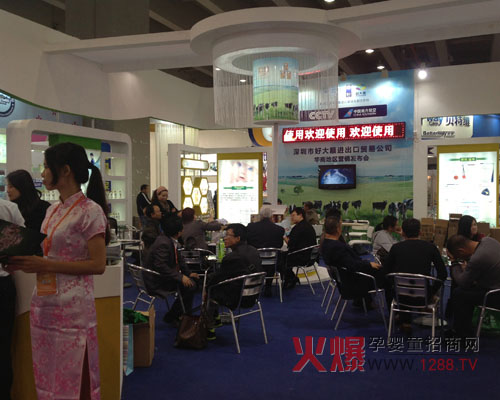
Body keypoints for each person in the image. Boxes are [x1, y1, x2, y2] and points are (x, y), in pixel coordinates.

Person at [6, 142, 109, 400]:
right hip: (45, 304)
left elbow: (98, 264)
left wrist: (46, 264)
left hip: (74, 310)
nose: (42, 173)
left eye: (46, 167)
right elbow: (47, 255)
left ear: (65, 170)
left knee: (73, 377)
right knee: (46, 375)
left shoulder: (91, 211)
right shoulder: (52, 210)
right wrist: (20, 262)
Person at [383, 218, 447, 333]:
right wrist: (432, 292)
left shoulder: (396, 248)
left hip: (400, 296)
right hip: (424, 297)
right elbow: (443, 273)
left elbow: (386, 272)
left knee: (401, 285)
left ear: (402, 233)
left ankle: (404, 321)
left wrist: (395, 285)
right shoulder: (430, 247)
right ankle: (422, 311)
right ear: (420, 232)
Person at [205, 224, 262, 339]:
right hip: (253, 296)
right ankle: (216, 320)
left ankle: (209, 330)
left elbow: (218, 278)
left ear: (238, 238)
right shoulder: (254, 251)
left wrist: (206, 287)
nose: (224, 238)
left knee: (210, 290)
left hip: (236, 299)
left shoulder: (232, 257)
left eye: (228, 235)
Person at [144, 217, 199, 325]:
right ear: (179, 233)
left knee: (193, 282)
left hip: (161, 276)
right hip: (157, 281)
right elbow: (160, 265)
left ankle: (182, 315)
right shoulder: (164, 243)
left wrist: (188, 273)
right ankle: (174, 316)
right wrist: (181, 277)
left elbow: (179, 259)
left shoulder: (167, 239)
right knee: (190, 286)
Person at [446, 234, 500, 337]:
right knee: (466, 293)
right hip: (495, 285)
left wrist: (454, 262)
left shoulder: (478, 258)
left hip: (495, 295)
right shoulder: (488, 240)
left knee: (459, 294)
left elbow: (462, 282)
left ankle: (464, 336)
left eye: (459, 257)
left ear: (461, 251)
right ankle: (461, 330)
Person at [0, 199, 24, 400]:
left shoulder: (9, 208)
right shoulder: (8, 208)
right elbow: (22, 248)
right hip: (3, 284)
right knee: (3, 347)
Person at [247, 206, 285, 296]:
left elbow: (249, 243)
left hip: (255, 261)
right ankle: (268, 286)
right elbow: (280, 245)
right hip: (273, 262)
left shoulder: (251, 227)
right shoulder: (279, 230)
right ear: (271, 216)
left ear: (260, 215)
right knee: (274, 261)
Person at [284, 207, 317, 289]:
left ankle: (291, 279)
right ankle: (291, 279)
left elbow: (290, 244)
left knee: (281, 259)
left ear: (300, 215)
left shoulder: (298, 228)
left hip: (301, 257)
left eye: (293, 215)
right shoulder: (308, 226)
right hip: (309, 256)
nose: (291, 218)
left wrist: (284, 237)